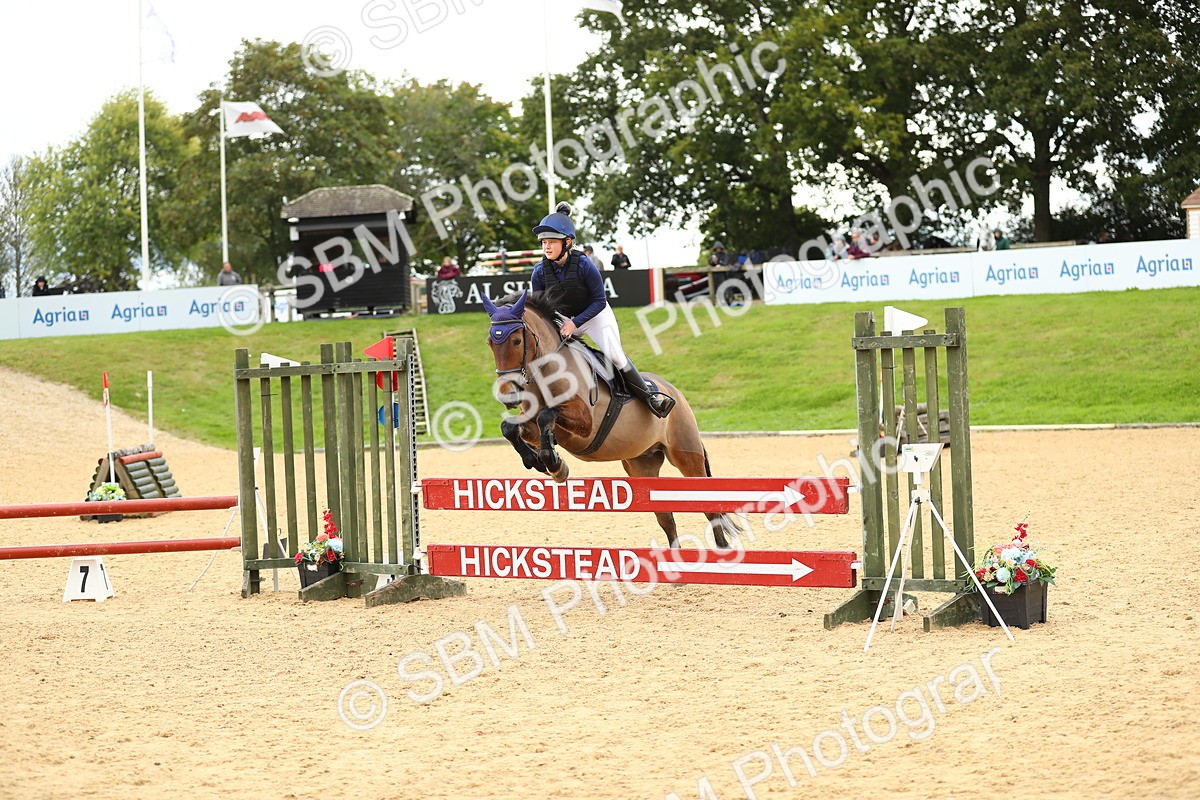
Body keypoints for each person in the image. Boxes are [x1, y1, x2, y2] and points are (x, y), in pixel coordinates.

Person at [530, 203, 674, 417]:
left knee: (615, 356)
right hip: (562, 318)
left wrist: (574, 323)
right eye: (544, 242)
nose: (546, 247)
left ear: (567, 242)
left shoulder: (584, 265)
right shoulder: (539, 272)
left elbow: (599, 300)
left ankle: (650, 398)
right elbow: (541, 309)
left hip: (594, 315)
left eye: (552, 241)